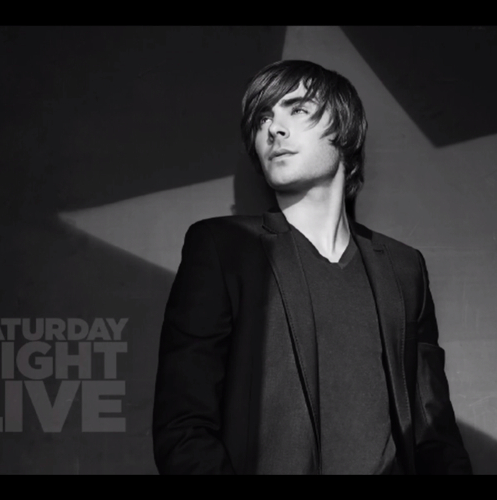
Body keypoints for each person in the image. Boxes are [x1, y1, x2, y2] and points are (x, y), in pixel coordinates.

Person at [152, 60, 472, 475]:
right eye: (263, 119)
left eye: (298, 109)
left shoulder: (404, 268)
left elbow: (435, 434)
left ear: (344, 128)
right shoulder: (222, 249)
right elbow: (183, 427)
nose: (274, 129)